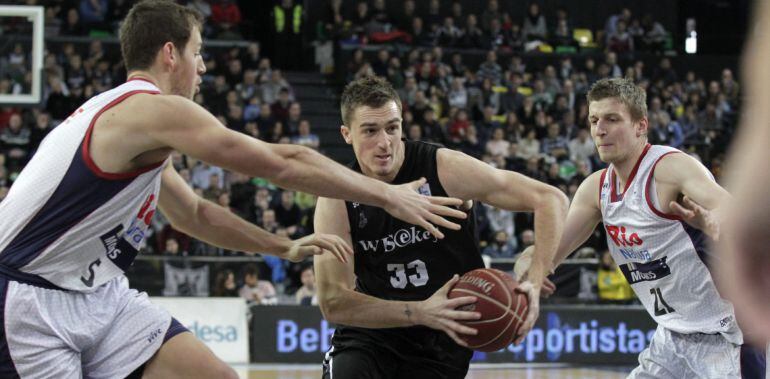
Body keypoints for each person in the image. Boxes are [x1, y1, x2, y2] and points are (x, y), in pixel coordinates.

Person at [0, 2, 468, 378]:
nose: (202, 67)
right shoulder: (151, 109)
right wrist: (388, 194)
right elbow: (283, 161)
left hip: (98, 294)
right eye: (197, 52)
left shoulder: (127, 127)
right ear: (170, 54)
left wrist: (282, 246)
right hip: (30, 300)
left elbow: (195, 215)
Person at [314, 76, 568, 379]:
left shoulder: (443, 169)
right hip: (372, 334)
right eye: (370, 130)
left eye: (392, 128)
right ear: (347, 134)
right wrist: (421, 311)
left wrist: (535, 283)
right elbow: (333, 302)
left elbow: (550, 199)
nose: (384, 142)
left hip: (443, 341)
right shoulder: (337, 198)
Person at [516, 77, 764, 377]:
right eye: (594, 120)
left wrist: (715, 223)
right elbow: (547, 252)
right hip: (671, 340)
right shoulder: (596, 189)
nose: (600, 129)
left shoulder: (670, 169)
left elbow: (734, 213)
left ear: (641, 126)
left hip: (730, 338)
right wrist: (526, 271)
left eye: (612, 119)